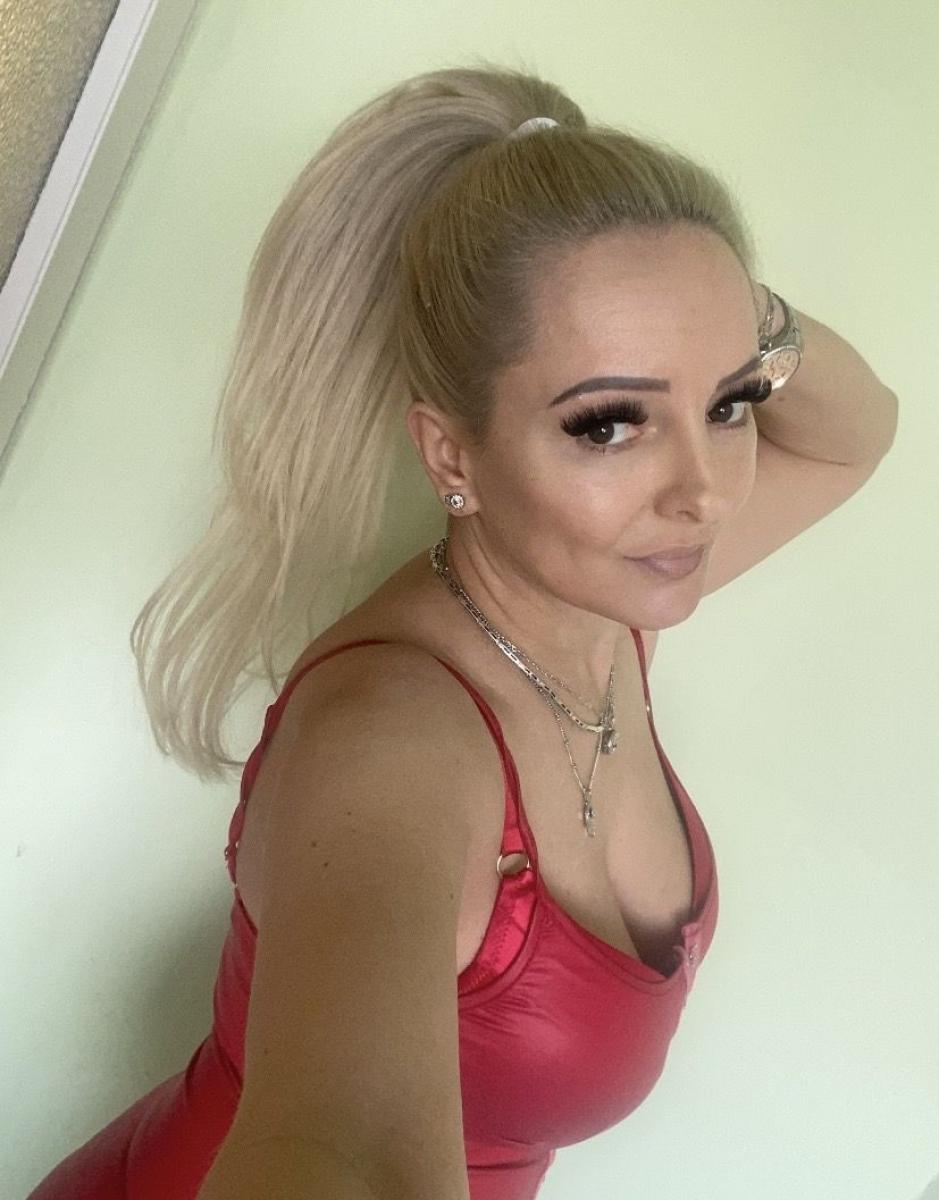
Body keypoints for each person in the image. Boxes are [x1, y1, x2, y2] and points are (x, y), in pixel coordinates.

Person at [26, 58, 883, 1200]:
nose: (707, 491)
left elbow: (852, 434)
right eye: (609, 424)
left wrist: (703, 297)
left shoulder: (602, 613)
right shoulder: (392, 744)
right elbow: (344, 1156)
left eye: (728, 402)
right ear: (450, 453)